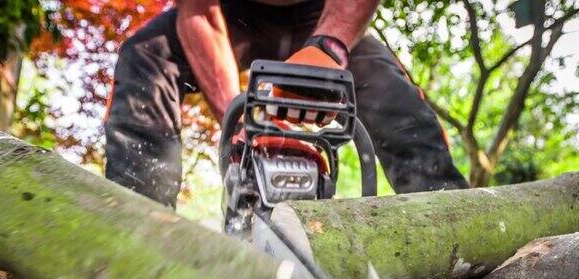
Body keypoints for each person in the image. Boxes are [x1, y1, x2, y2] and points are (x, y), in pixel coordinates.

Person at [104, 0, 468, 208]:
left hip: (324, 11)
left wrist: (331, 46)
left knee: (389, 87)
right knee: (146, 57)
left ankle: (448, 215)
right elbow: (199, 10)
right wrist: (239, 119)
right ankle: (139, 225)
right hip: (231, 13)